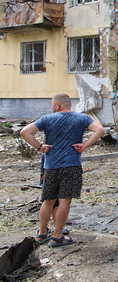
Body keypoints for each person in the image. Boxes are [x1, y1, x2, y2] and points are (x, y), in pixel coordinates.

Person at [20, 94, 105, 247]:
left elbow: (25, 132)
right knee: (65, 200)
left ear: (57, 105)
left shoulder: (47, 119)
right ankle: (57, 236)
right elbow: (99, 130)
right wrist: (85, 145)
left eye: (52, 104)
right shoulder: (82, 118)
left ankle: (42, 233)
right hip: (71, 165)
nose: (52, 107)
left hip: (50, 166)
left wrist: (39, 146)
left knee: (48, 200)